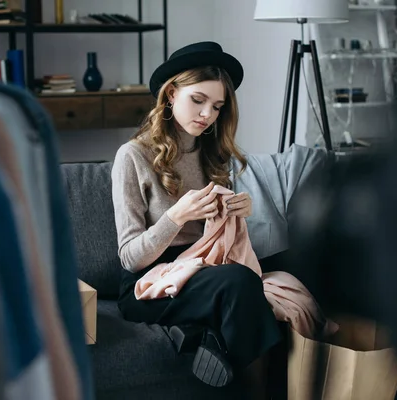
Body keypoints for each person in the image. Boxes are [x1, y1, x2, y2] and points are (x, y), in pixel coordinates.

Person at [111, 41, 283, 399]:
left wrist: (235, 211)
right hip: (149, 283)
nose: (207, 114)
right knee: (239, 283)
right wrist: (176, 216)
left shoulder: (211, 154)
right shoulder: (132, 156)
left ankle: (209, 340)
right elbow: (129, 257)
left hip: (202, 268)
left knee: (288, 264)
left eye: (217, 106)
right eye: (198, 100)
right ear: (171, 94)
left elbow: (216, 241)